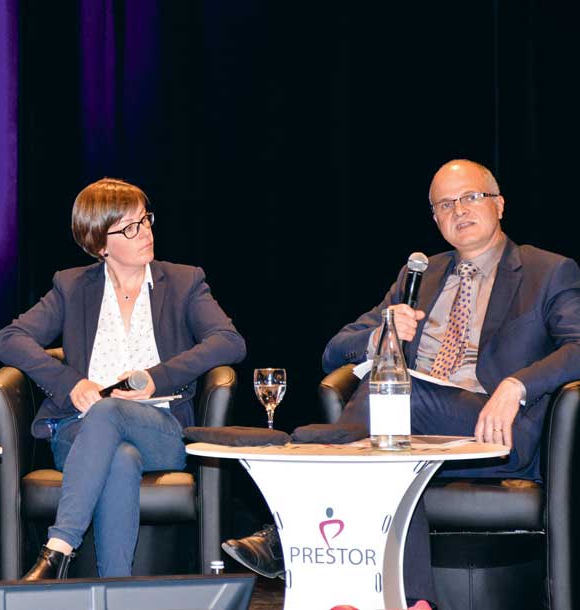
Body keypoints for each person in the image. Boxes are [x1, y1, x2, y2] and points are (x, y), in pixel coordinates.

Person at [222, 159, 580, 606]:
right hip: (409, 432)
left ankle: (285, 524)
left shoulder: (547, 271)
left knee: (388, 391)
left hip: (496, 427)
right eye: (444, 205)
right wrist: (381, 334)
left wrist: (517, 386)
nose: (459, 210)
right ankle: (418, 603)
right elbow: (335, 350)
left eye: (471, 197)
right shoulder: (421, 275)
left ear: (499, 204)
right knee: (390, 455)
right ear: (435, 219)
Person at [0, 177, 246, 579]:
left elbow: (229, 342)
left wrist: (157, 378)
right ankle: (116, 590)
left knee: (110, 413)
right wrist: (70, 383)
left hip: (160, 427)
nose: (145, 232)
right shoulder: (71, 286)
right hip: (79, 429)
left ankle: (58, 547)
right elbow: (9, 339)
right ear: (100, 245)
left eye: (145, 220)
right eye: (129, 228)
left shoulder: (183, 282)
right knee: (120, 457)